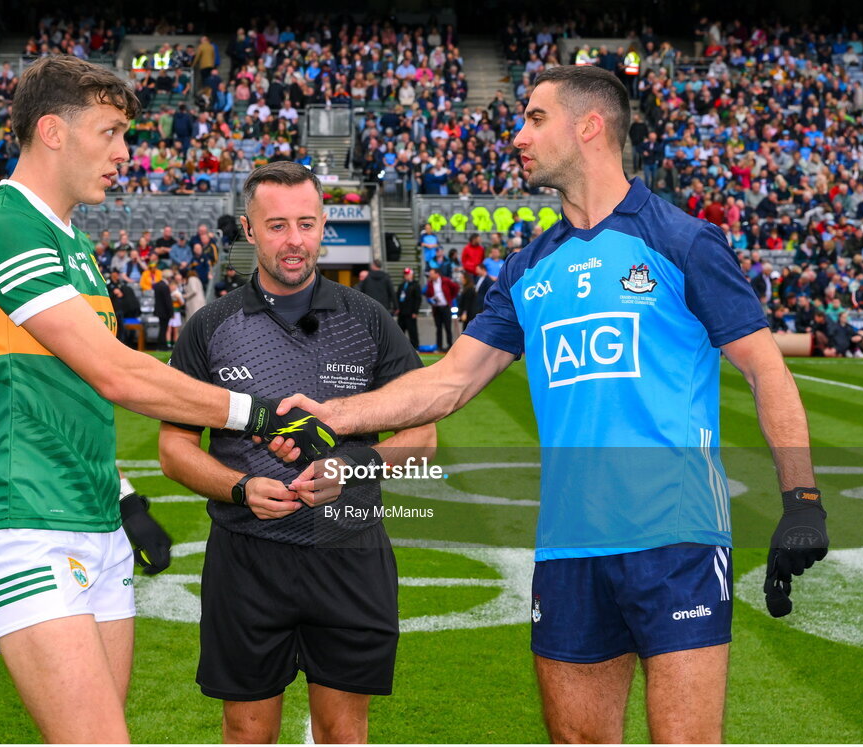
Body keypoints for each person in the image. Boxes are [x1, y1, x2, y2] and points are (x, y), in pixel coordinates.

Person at [274, 66, 828, 743]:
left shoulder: (681, 242)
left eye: (534, 118)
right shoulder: (528, 267)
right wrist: (338, 412)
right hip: (569, 544)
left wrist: (800, 497)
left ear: (589, 126)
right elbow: (450, 379)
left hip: (675, 536)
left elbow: (766, 369)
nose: (518, 135)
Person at [0, 56, 336, 744]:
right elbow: (116, 373)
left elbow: (67, 395)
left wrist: (122, 493)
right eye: (112, 132)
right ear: (53, 131)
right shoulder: (3, 227)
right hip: (22, 522)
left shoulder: (71, 241)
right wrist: (261, 411)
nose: (126, 153)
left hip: (92, 518)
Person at [158, 162, 434, 743]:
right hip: (247, 555)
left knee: (343, 732)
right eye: (277, 225)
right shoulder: (210, 327)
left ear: (324, 226)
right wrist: (238, 488)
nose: (294, 240)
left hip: (349, 551)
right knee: (247, 731)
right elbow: (174, 448)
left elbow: (422, 439)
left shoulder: (369, 321)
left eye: (306, 224)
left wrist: (351, 468)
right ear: (249, 230)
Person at [424, 266, 458, 352]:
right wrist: (431, 300)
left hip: (445, 307)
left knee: (447, 327)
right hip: (437, 308)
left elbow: (455, 288)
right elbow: (427, 294)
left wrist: (450, 298)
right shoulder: (430, 283)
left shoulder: (445, 280)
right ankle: (439, 346)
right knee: (438, 328)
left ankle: (450, 345)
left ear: (437, 274)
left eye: (432, 274)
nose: (430, 276)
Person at [395, 267, 422, 349]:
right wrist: (397, 308)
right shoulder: (402, 286)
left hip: (410, 312)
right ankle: (400, 347)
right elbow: (397, 298)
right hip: (402, 312)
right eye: (405, 274)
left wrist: (415, 312)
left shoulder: (415, 286)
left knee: (412, 331)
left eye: (408, 274)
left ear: (412, 275)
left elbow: (418, 299)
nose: (406, 276)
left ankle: (415, 347)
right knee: (400, 331)